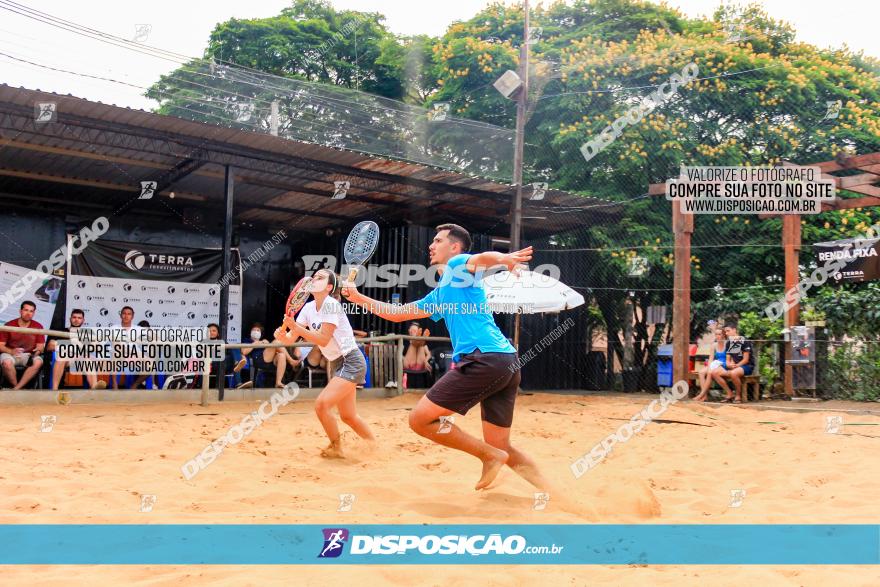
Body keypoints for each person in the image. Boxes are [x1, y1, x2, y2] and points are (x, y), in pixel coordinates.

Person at [342, 223, 548, 492]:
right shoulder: (441, 293)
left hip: (482, 359)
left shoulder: (457, 265)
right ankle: (553, 492)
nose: (431, 245)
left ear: (454, 247)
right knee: (501, 444)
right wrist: (358, 297)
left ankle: (488, 456)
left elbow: (480, 259)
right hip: (506, 362)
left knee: (419, 420)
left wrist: (503, 258)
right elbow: (398, 313)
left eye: (437, 241)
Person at [276, 269, 374, 458]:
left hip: (351, 360)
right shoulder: (307, 308)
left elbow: (322, 339)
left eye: (320, 277)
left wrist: (295, 327)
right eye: (314, 276)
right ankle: (375, 447)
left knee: (321, 405)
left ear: (329, 287)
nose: (314, 278)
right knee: (348, 416)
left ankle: (336, 448)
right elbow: (290, 339)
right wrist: (282, 336)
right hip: (337, 362)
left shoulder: (331, 305)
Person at [48, 308, 104, 390]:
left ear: (83, 320)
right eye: (74, 317)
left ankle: (94, 388)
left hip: (81, 358)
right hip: (67, 359)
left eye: (79, 318)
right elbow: (50, 346)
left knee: (88, 360)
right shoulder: (62, 331)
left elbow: (96, 347)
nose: (76, 320)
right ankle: (54, 389)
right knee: (61, 358)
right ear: (70, 319)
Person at [0, 300, 46, 390]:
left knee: (38, 362)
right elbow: (0, 345)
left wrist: (35, 354)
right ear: (20, 311)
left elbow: (41, 347)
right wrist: (11, 351)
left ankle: (16, 389)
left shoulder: (38, 326)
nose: (28, 313)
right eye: (26, 310)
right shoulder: (9, 325)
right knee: (7, 363)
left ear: (34, 313)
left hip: (28, 355)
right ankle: (17, 387)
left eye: (31, 311)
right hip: (10, 353)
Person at [241, 321, 298, 388]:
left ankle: (278, 382)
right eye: (254, 330)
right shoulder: (246, 340)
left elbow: (270, 348)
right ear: (250, 332)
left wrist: (265, 343)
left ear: (260, 333)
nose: (255, 331)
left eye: (258, 330)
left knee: (281, 355)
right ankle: (291, 361)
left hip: (269, 359)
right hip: (258, 359)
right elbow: (244, 352)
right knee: (276, 342)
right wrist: (255, 344)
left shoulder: (264, 340)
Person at [713, 321, 755, 403]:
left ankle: (738, 395)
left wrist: (736, 366)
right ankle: (729, 393)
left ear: (734, 330)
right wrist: (729, 365)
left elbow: (746, 360)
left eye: (728, 331)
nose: (726, 333)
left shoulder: (744, 341)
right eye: (725, 331)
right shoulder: (729, 343)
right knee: (715, 372)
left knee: (733, 373)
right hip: (735, 367)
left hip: (746, 366)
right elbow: (728, 359)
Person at [693, 327, 726, 402]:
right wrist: (709, 366)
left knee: (710, 372)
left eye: (719, 334)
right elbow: (711, 358)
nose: (717, 336)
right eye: (716, 334)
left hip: (723, 364)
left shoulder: (727, 344)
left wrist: (710, 369)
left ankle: (701, 395)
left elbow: (728, 359)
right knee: (701, 372)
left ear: (723, 335)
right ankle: (705, 396)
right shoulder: (714, 345)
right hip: (716, 363)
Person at [403, 321, 432, 388]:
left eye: (415, 331)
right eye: (412, 330)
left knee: (420, 345)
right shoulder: (404, 342)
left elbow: (429, 354)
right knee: (414, 345)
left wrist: (426, 361)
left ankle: (421, 340)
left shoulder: (424, 346)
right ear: (409, 331)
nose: (413, 332)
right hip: (409, 364)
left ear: (418, 332)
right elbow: (400, 354)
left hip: (420, 364)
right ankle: (422, 339)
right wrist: (403, 359)